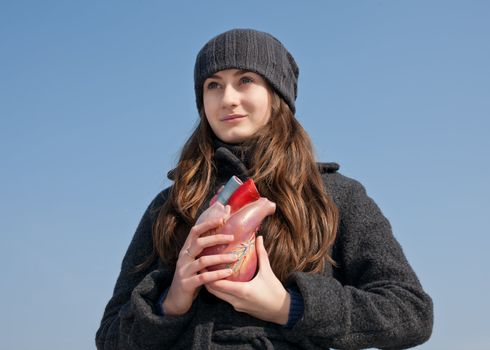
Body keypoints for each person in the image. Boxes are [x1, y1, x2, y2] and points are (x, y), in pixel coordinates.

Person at [96, 28, 433, 349]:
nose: (227, 98)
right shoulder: (171, 204)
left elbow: (411, 313)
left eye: (245, 80)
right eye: (213, 85)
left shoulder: (335, 195)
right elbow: (110, 337)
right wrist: (172, 300)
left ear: (277, 93)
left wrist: (289, 307)